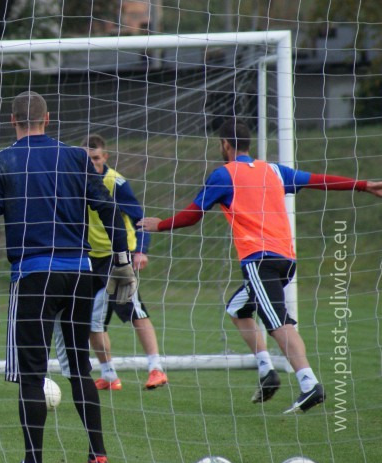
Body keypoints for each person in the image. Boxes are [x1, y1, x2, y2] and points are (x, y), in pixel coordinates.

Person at [139, 120, 382, 414]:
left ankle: (309, 384)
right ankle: (267, 371)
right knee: (238, 308)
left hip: (259, 260)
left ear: (225, 145)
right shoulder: (274, 170)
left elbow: (192, 216)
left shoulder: (224, 174)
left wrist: (160, 225)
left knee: (277, 322)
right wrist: (363, 185)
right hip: (286, 259)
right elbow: (318, 179)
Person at [0, 91, 137, 463]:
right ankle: (98, 457)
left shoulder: (0, 162)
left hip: (34, 277)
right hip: (79, 275)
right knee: (80, 367)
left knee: (31, 374)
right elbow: (108, 208)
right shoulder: (76, 157)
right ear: (47, 118)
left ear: (11, 120)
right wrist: (122, 259)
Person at [79, 134, 167, 391]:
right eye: (87, 159)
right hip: (90, 259)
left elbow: (139, 217)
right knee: (91, 320)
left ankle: (156, 369)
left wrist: (141, 250)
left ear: (105, 157)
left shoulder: (115, 182)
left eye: (96, 158)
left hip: (118, 257)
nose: (92, 163)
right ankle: (109, 375)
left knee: (135, 310)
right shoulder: (77, 181)